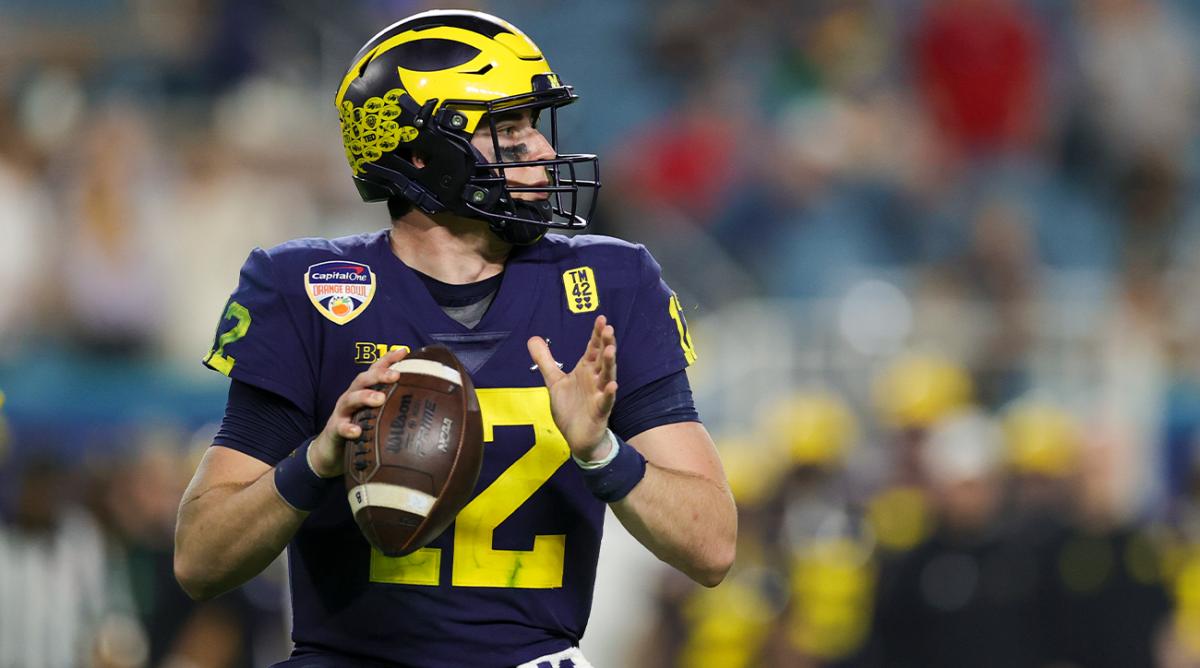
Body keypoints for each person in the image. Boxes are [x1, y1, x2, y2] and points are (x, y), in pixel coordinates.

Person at [173, 9, 737, 668]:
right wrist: (318, 460)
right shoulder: (309, 289)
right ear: (420, 153)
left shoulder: (611, 285)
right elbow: (199, 559)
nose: (545, 151)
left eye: (534, 125)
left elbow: (714, 547)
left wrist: (602, 452)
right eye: (508, 129)